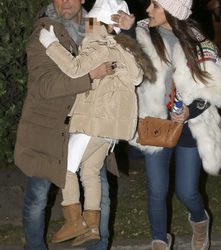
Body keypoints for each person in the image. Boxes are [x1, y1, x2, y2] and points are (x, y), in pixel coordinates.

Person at [38, 0, 155, 247]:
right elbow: (136, 77)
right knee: (89, 172)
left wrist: (51, 45)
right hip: (111, 130)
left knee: (63, 168)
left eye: (91, 20)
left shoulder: (98, 44)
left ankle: (73, 220)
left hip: (94, 122)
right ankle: (92, 226)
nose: (87, 25)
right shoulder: (123, 49)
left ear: (100, 22)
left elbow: (74, 68)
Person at [118, 0, 221, 249]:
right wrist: (126, 31)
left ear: (172, 10)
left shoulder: (198, 41)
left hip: (191, 126)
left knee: (187, 191)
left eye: (155, 5)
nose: (148, 9)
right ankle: (159, 240)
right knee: (157, 189)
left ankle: (200, 220)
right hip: (156, 123)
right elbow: (126, 61)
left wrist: (191, 110)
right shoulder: (142, 33)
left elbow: (216, 86)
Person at [13, 0, 119, 249]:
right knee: (38, 197)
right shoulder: (45, 33)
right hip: (49, 129)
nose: (65, 2)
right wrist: (89, 77)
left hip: (90, 125)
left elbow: (128, 51)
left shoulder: (98, 24)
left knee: (99, 193)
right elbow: (45, 86)